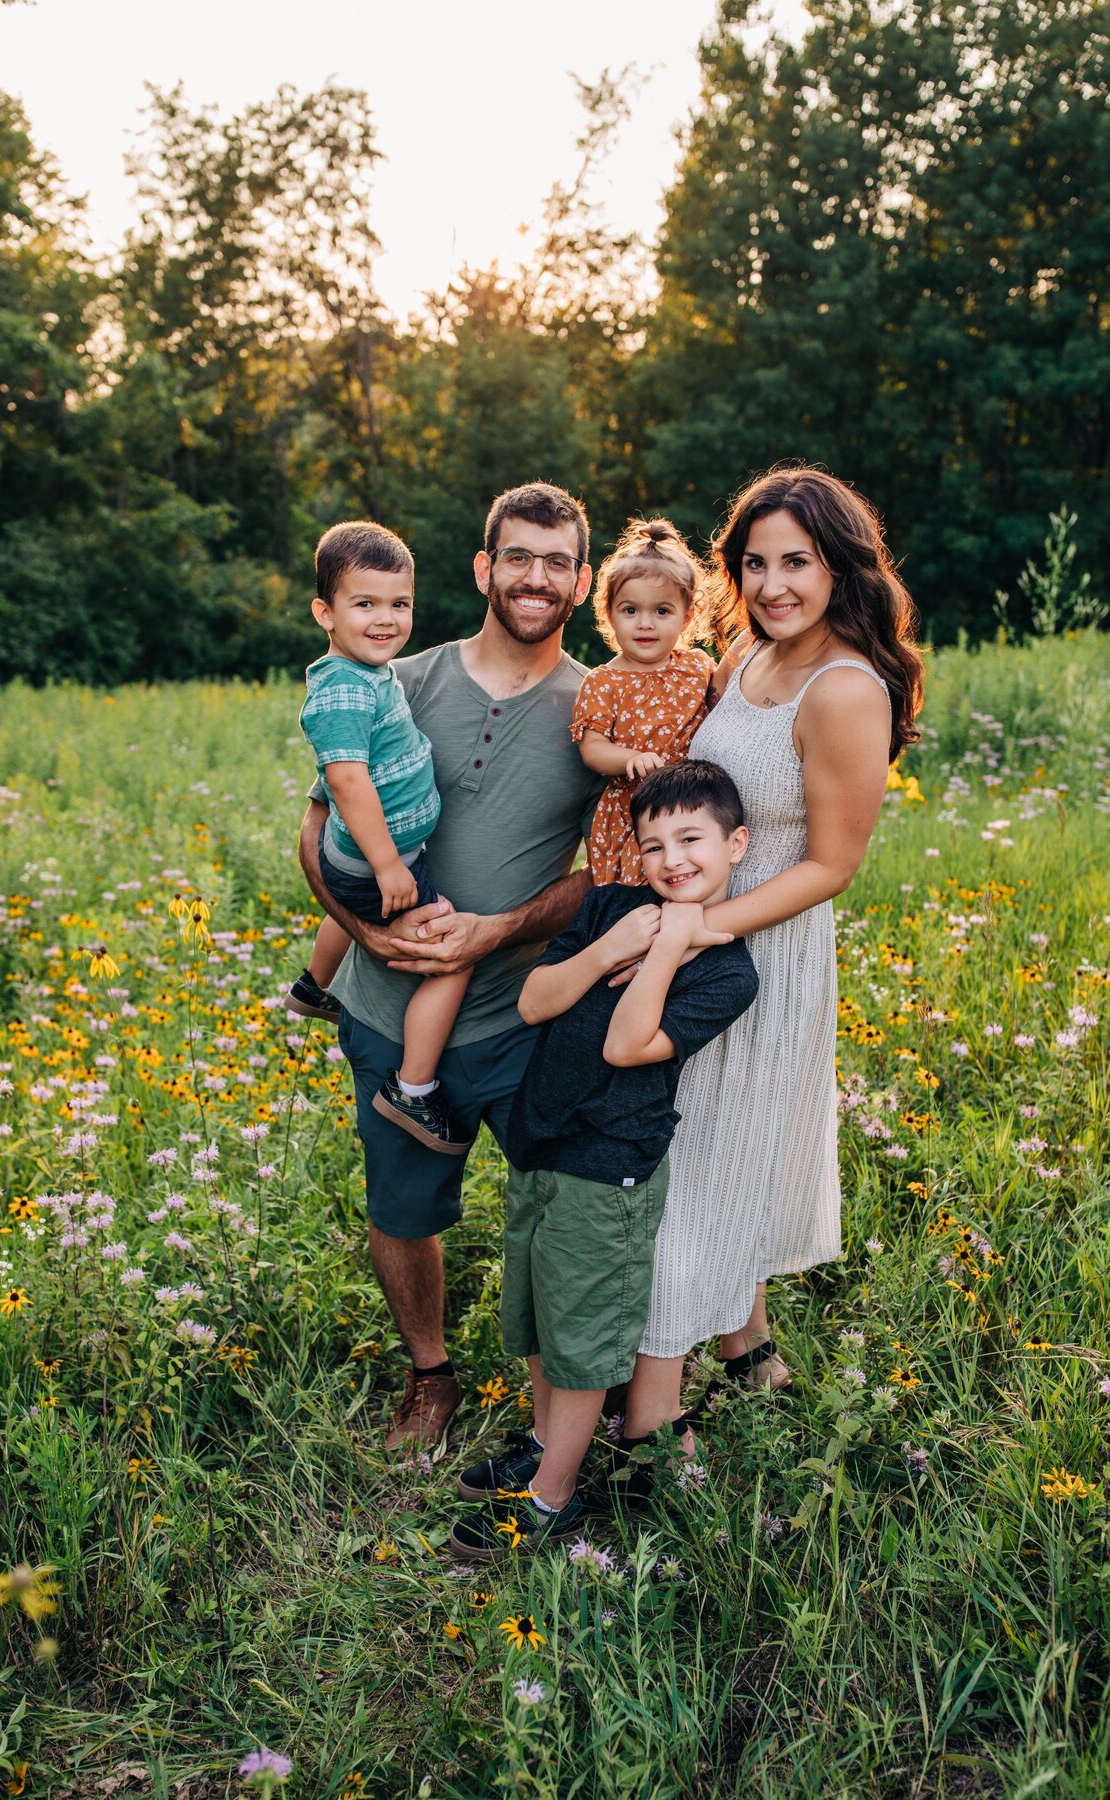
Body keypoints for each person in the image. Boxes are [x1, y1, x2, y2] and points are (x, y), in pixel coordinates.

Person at [622, 465, 925, 1456]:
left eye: (796, 562)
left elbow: (834, 864)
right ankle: (744, 1337)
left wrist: (703, 928)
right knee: (700, 1158)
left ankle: (654, 1428)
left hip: (762, 955)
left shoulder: (846, 688)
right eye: (754, 563)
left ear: (841, 565)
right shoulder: (752, 655)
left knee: (700, 1171)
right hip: (701, 947)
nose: (772, 584)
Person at [298, 483, 606, 1449]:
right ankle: (430, 1372)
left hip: (520, 1013)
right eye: (518, 556)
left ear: (583, 582)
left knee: (559, 1201)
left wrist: (497, 928)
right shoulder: (399, 678)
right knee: (403, 1203)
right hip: (388, 1006)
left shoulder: (595, 706)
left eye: (557, 562)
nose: (535, 577)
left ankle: (557, 1398)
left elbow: (607, 871)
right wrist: (370, 931)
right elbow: (316, 828)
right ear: (484, 568)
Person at [448, 762, 759, 1557]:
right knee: (536, 1318)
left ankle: (553, 1499)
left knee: (582, 1341)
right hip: (539, 1136)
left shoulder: (728, 969)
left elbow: (628, 1045)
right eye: (652, 845)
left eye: (691, 839)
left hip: (609, 1161)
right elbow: (533, 1000)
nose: (671, 860)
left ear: (737, 845)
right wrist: (615, 943)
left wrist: (671, 943)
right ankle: (548, 1444)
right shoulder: (609, 907)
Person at [289, 521, 471, 1154]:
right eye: (364, 604)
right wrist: (390, 865)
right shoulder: (341, 686)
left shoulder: (369, 671)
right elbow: (346, 781)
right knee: (452, 956)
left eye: (399, 604)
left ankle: (313, 987)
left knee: (353, 896)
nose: (385, 619)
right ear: (325, 613)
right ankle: (412, 1090)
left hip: (364, 860)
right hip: (375, 865)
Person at [571, 518, 714, 885]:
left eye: (661, 611)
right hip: (635, 811)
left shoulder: (698, 668)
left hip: (697, 805)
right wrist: (630, 759)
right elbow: (593, 748)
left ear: (687, 617)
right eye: (630, 610)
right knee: (637, 900)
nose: (645, 624)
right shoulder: (604, 681)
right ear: (609, 614)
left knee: (697, 889)